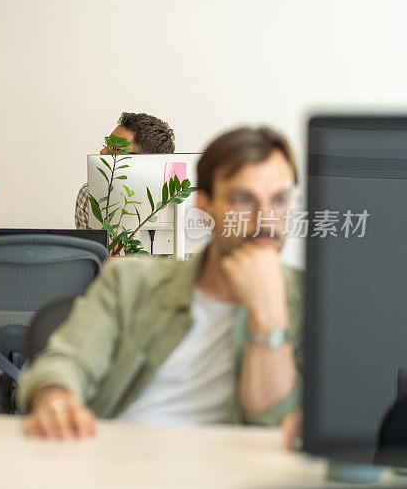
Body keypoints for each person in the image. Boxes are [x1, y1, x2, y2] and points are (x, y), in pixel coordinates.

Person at [21, 126, 302, 441]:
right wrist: (55, 399)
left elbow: (275, 426)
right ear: (205, 204)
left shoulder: (312, 302)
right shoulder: (129, 282)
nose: (265, 218)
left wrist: (269, 316)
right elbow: (65, 361)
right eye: (243, 199)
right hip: (115, 459)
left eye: (280, 199)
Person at [75, 112, 175, 229]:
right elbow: (90, 247)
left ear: (145, 161)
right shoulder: (89, 194)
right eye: (108, 143)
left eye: (116, 148)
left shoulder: (178, 198)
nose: (102, 152)